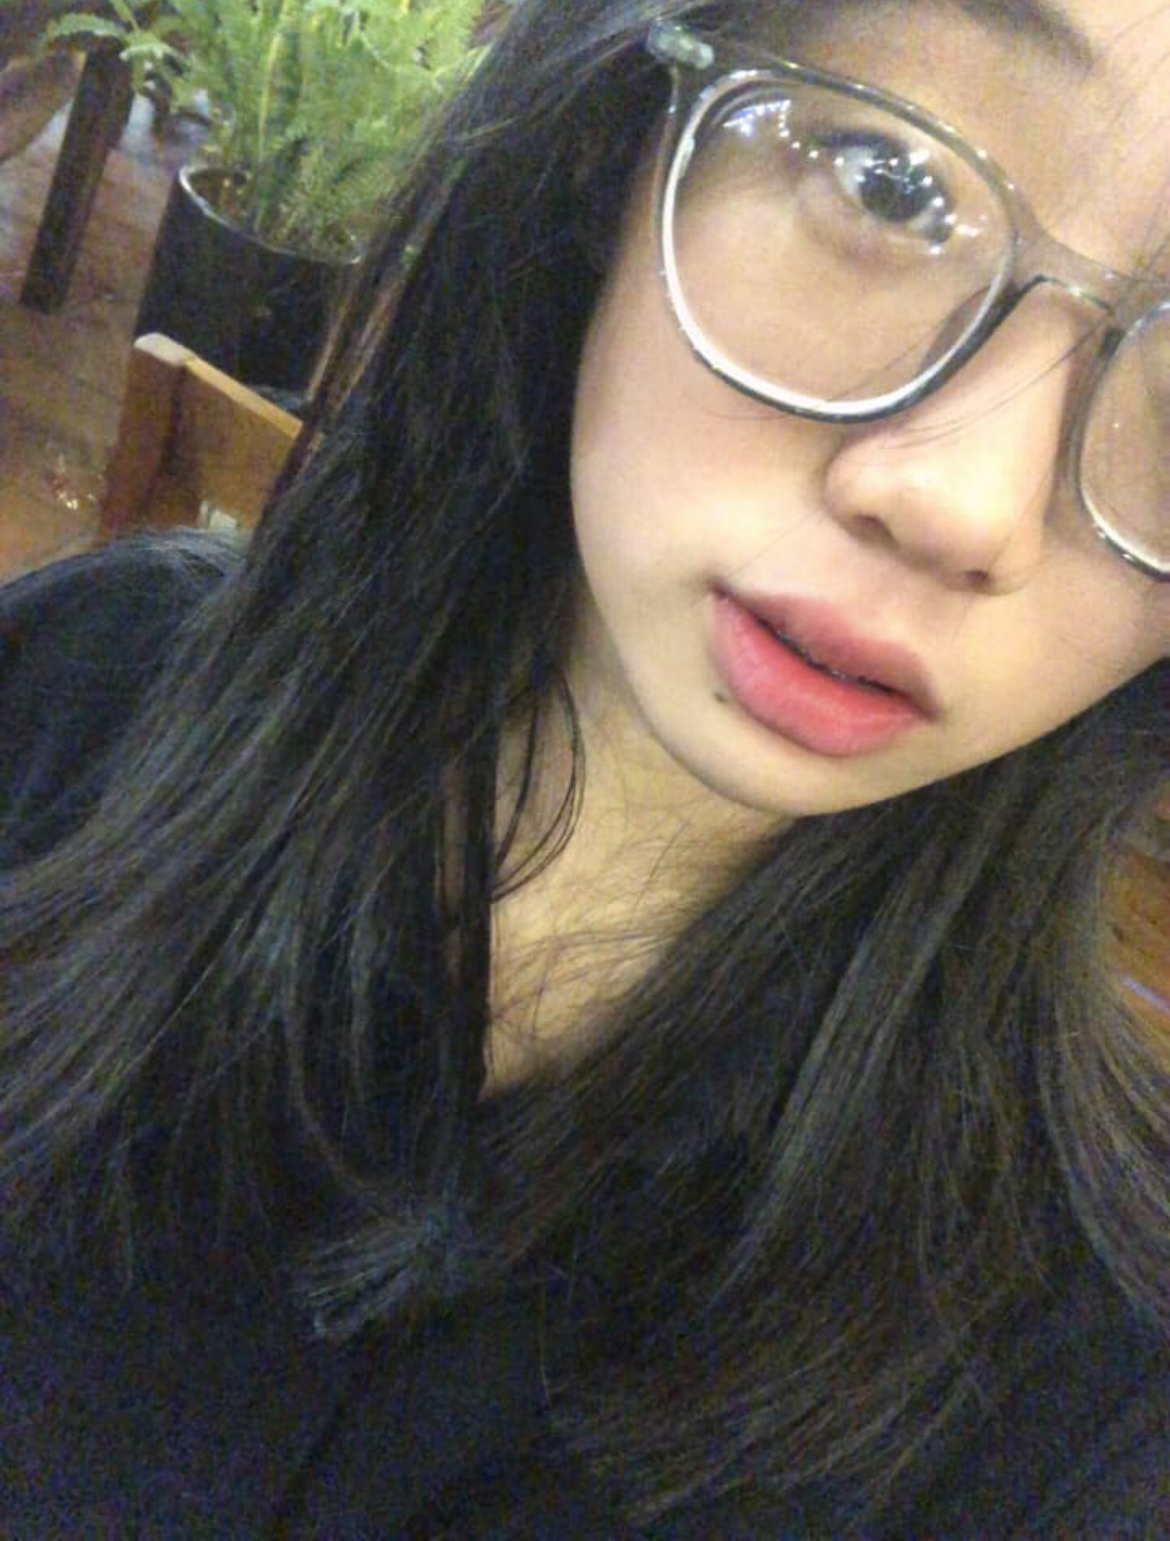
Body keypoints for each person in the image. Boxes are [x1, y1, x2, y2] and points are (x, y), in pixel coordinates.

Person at [2, 0, 1168, 1533]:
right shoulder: (74, 693)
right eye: (887, 181)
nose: (965, 501)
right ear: (615, 136)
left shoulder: (1088, 1393)